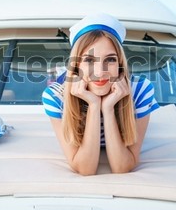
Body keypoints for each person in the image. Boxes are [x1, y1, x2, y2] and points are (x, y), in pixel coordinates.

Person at [42, 13, 159, 175]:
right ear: (77, 65)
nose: (100, 72)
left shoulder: (140, 90)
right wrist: (94, 105)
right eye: (89, 60)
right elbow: (85, 169)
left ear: (119, 63)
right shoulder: (56, 97)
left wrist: (108, 108)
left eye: (110, 60)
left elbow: (122, 167)